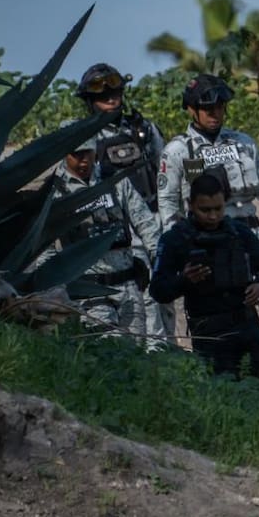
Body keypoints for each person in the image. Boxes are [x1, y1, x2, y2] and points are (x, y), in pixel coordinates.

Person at [157, 74, 259, 376]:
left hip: (251, 232)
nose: (215, 113)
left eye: (220, 106)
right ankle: (230, 377)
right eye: (208, 108)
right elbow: (168, 204)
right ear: (191, 110)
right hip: (207, 238)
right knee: (222, 316)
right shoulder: (178, 151)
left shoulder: (243, 143)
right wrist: (178, 248)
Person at [72, 63, 172, 348]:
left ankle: (171, 352)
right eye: (104, 96)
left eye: (115, 92)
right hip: (119, 228)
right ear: (90, 101)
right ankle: (155, 357)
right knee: (146, 302)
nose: (112, 99)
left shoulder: (142, 130)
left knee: (164, 298)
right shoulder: (86, 141)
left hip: (152, 218)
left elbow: (164, 171)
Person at [150, 174, 259, 378]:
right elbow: (158, 290)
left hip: (247, 329)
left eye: (218, 209)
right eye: (205, 210)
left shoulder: (239, 233)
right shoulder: (175, 240)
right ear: (190, 205)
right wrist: (184, 281)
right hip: (209, 337)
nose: (213, 216)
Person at [37, 137, 161, 340]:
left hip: (127, 285)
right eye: (76, 155)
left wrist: (157, 255)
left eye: (88, 153)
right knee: (108, 350)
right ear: (65, 154)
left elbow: (145, 222)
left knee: (136, 352)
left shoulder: (113, 179)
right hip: (89, 292)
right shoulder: (55, 191)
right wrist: (51, 288)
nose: (83, 160)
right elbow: (45, 246)